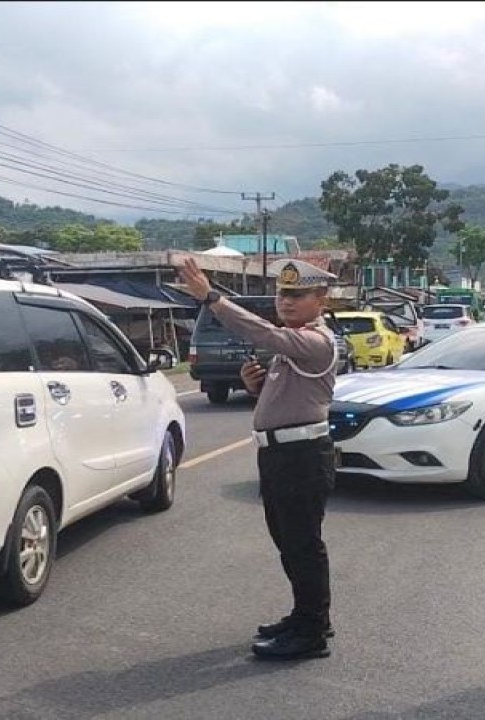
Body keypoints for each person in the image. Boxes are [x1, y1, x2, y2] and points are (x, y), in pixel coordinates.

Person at [176, 256, 338, 660]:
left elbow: (263, 333)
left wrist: (211, 298)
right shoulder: (294, 344)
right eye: (284, 293)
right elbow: (287, 400)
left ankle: (313, 631)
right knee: (288, 543)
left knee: (303, 545)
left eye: (298, 294)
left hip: (301, 456)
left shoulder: (314, 342)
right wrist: (256, 389)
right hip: (281, 454)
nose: (286, 302)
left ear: (321, 298)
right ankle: (306, 616)